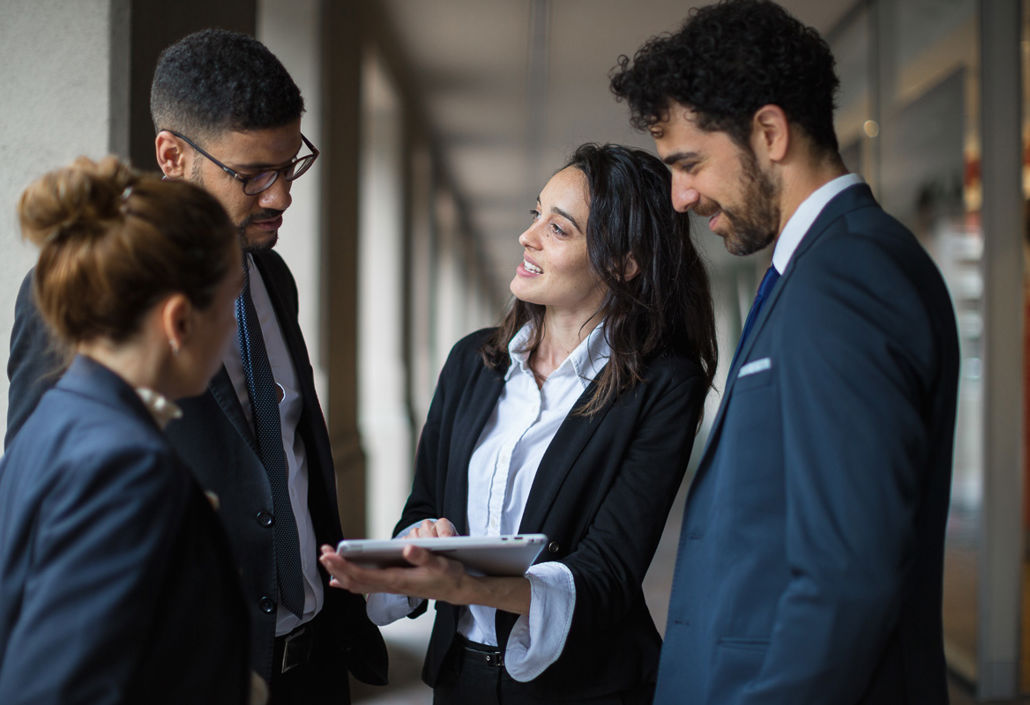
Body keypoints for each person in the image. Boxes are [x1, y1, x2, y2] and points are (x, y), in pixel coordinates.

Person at [5, 29, 387, 703]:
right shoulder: (74, 297)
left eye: (291, 166)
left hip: (312, 661)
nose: (281, 198)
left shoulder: (275, 278)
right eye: (252, 175)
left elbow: (292, 456)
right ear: (173, 156)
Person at [609, 1, 960, 703]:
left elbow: (845, 575)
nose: (678, 196)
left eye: (690, 163)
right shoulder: (813, 273)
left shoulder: (849, 276)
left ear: (769, 132)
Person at [320, 143, 718, 705]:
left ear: (624, 263)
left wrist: (462, 584)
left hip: (581, 689)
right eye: (536, 215)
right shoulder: (472, 362)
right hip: (461, 679)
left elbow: (607, 574)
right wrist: (409, 554)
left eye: (558, 229)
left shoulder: (662, 387)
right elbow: (425, 504)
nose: (527, 237)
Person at [0, 156, 250, 704]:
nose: (233, 327)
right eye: (230, 303)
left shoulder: (58, 415)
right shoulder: (124, 466)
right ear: (179, 321)